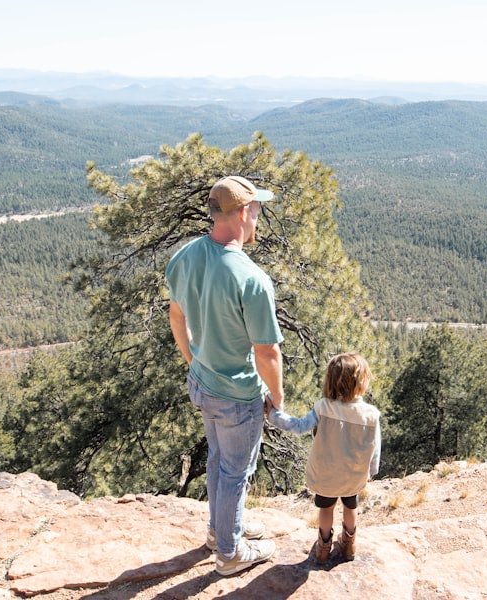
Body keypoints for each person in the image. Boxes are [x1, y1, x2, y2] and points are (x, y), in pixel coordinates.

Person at [165, 175, 284, 577]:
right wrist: (277, 397)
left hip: (203, 383)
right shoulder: (251, 279)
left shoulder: (185, 256)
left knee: (219, 461)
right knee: (235, 471)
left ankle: (220, 532)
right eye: (257, 208)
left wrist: (193, 361)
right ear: (244, 213)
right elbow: (267, 352)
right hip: (237, 394)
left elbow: (176, 316)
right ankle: (230, 555)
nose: (259, 216)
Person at [267, 352, 381, 563]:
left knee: (326, 510)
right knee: (351, 507)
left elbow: (298, 426)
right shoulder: (371, 414)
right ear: (361, 381)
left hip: (327, 474)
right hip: (353, 474)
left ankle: (323, 548)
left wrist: (273, 415)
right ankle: (349, 545)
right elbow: (375, 447)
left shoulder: (323, 407)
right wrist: (372, 471)